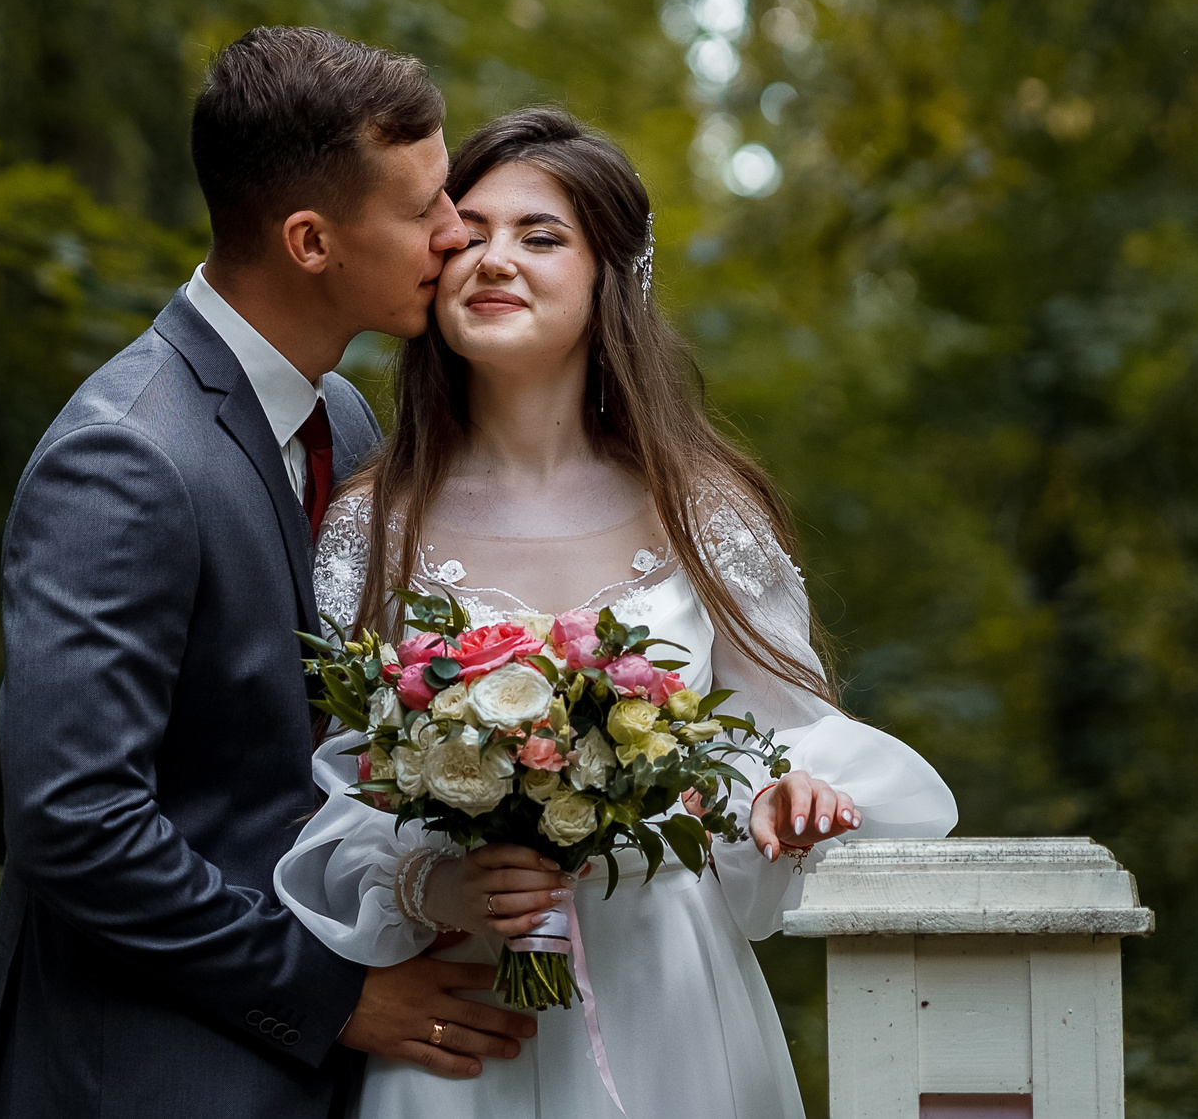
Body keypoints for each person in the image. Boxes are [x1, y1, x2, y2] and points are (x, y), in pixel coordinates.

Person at [274, 105, 958, 1118]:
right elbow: (339, 780)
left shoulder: (701, 512)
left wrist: (784, 799)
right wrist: (435, 886)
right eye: (468, 234)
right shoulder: (373, 525)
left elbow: (781, 739)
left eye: (540, 237)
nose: (492, 258)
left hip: (670, 1000)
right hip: (463, 1019)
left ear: (612, 278)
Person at [0, 28, 545, 1119]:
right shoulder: (124, 457)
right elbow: (75, 822)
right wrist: (326, 996)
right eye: (422, 208)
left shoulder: (342, 416)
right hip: (147, 1073)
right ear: (310, 241)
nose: (456, 230)